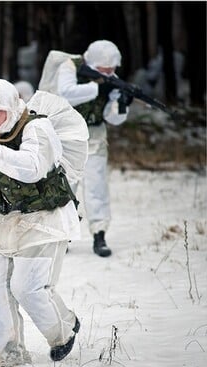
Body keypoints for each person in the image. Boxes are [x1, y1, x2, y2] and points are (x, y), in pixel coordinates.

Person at [0, 79, 80, 367]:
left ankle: (64, 329)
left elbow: (33, 169)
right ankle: (10, 350)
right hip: (4, 223)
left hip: (44, 219)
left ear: (10, 106)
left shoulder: (37, 128)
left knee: (27, 288)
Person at [55, 40, 131, 257]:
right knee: (65, 185)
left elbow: (111, 117)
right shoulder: (71, 66)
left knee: (97, 186)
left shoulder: (112, 80)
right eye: (103, 70)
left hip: (94, 135)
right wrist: (98, 87)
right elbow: (65, 92)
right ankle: (62, 236)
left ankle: (99, 234)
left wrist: (122, 102)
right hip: (67, 135)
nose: (109, 74)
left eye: (112, 70)